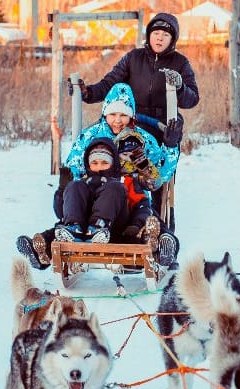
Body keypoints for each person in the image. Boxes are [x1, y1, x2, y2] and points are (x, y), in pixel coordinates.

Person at [16, 83, 180, 270]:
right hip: (94, 200)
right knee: (72, 221)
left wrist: (170, 145)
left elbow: (159, 176)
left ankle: (165, 248)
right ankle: (43, 250)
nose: (117, 120)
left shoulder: (141, 139)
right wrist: (68, 191)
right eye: (113, 114)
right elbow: (73, 172)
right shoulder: (90, 136)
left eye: (123, 115)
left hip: (130, 197)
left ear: (131, 115)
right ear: (104, 113)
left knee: (147, 220)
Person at [71, 12, 199, 216]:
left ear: (172, 39)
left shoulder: (180, 63)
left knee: (153, 172)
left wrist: (181, 86)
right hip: (130, 121)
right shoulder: (133, 58)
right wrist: (88, 93)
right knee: (111, 155)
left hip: (162, 126)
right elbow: (110, 83)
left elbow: (192, 99)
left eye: (165, 35)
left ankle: (158, 218)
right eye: (156, 33)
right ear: (148, 35)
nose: (159, 38)